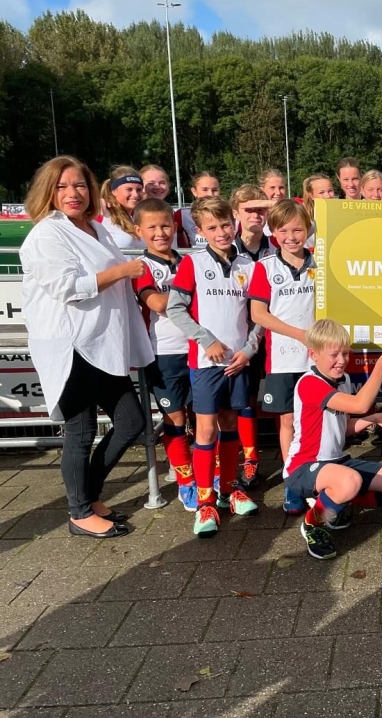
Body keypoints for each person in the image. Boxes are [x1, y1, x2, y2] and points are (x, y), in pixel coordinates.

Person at [20, 155, 153, 538]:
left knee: (132, 421)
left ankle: (90, 495)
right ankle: (79, 512)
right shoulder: (47, 234)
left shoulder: (97, 228)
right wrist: (124, 271)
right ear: (48, 191)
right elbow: (69, 289)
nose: (72, 193)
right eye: (61, 186)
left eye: (78, 184)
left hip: (102, 342)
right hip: (71, 343)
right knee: (81, 432)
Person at [167, 196, 262, 538]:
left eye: (225, 225)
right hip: (206, 363)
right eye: (212, 228)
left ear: (234, 223)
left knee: (231, 424)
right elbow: (175, 309)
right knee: (205, 431)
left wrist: (249, 350)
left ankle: (229, 489)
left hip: (237, 363)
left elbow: (258, 317)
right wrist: (207, 340)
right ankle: (205, 500)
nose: (221, 232)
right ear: (200, 231)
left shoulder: (247, 266)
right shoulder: (192, 263)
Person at [283, 320, 382, 559]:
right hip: (302, 468)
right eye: (334, 354)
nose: (342, 360)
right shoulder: (309, 383)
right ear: (313, 354)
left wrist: (373, 418)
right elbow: (359, 404)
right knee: (349, 481)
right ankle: (313, 525)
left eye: (345, 353)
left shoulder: (344, 381)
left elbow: (343, 427)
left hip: (337, 464)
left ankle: (337, 504)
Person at [249, 199, 316, 514]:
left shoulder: (320, 263)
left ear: (307, 230)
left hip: (317, 360)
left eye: (298, 229)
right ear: (273, 233)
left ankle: (315, 478)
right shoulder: (265, 267)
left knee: (315, 420)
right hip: (283, 359)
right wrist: (299, 334)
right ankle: (292, 482)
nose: (291, 236)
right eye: (284, 230)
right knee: (288, 420)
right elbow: (259, 314)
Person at [132, 198, 195, 510]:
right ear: (139, 230)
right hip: (164, 352)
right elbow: (156, 304)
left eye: (166, 225)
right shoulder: (142, 267)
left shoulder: (189, 261)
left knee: (206, 417)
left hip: (197, 348)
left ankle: (209, 475)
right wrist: (190, 295)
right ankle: (185, 482)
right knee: (175, 419)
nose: (160, 232)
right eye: (152, 227)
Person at [230, 185, 273, 490]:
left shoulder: (278, 246)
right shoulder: (225, 249)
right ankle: (249, 458)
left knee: (283, 401)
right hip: (238, 338)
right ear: (236, 213)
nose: (256, 215)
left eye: (261, 209)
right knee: (243, 401)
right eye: (249, 210)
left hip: (273, 336)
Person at [100, 166, 145, 250]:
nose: (135, 195)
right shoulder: (104, 213)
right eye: (129, 189)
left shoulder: (136, 218)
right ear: (114, 191)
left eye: (139, 190)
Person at [176, 172, 221, 249]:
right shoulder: (182, 214)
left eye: (214, 190)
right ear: (194, 191)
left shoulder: (230, 213)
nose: (210, 194)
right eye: (205, 190)